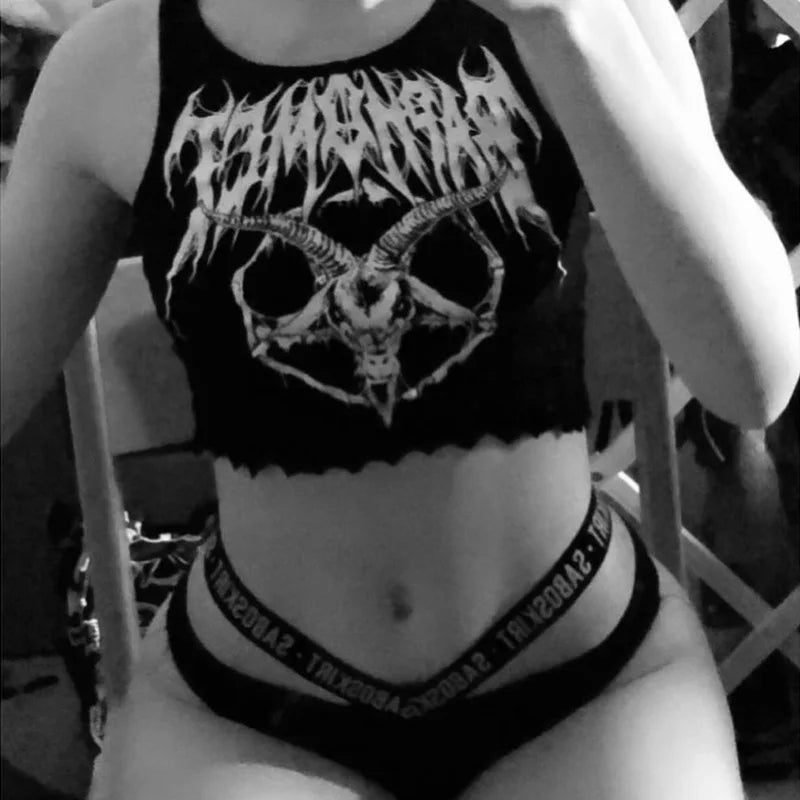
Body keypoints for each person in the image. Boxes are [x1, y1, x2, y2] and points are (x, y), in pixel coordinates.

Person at [1, 0, 798, 797]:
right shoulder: (114, 64)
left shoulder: (600, 14)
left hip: (589, 678)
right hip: (244, 708)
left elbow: (754, 382)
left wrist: (568, 27)